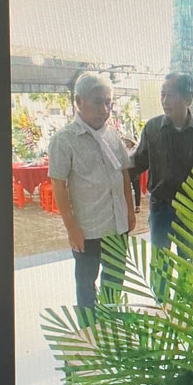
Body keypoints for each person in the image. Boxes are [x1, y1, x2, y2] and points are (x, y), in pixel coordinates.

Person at [48, 72, 136, 309]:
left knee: (115, 279)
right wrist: (72, 228)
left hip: (117, 224)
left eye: (108, 103)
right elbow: (58, 184)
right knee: (86, 282)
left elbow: (124, 175)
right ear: (79, 101)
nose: (104, 109)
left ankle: (110, 321)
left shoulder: (112, 135)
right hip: (88, 228)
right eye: (98, 102)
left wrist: (130, 212)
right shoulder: (64, 139)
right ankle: (89, 326)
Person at [129, 72, 193, 252]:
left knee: (187, 262)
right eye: (162, 94)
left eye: (170, 95)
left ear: (188, 99)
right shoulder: (152, 129)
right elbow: (137, 163)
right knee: (160, 264)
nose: (164, 101)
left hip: (190, 209)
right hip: (160, 209)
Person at [122, 133, 142, 213]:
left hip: (135, 169)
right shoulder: (125, 149)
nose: (126, 142)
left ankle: (137, 205)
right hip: (127, 170)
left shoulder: (135, 149)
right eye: (126, 141)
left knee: (136, 187)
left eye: (128, 141)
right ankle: (128, 205)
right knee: (127, 187)